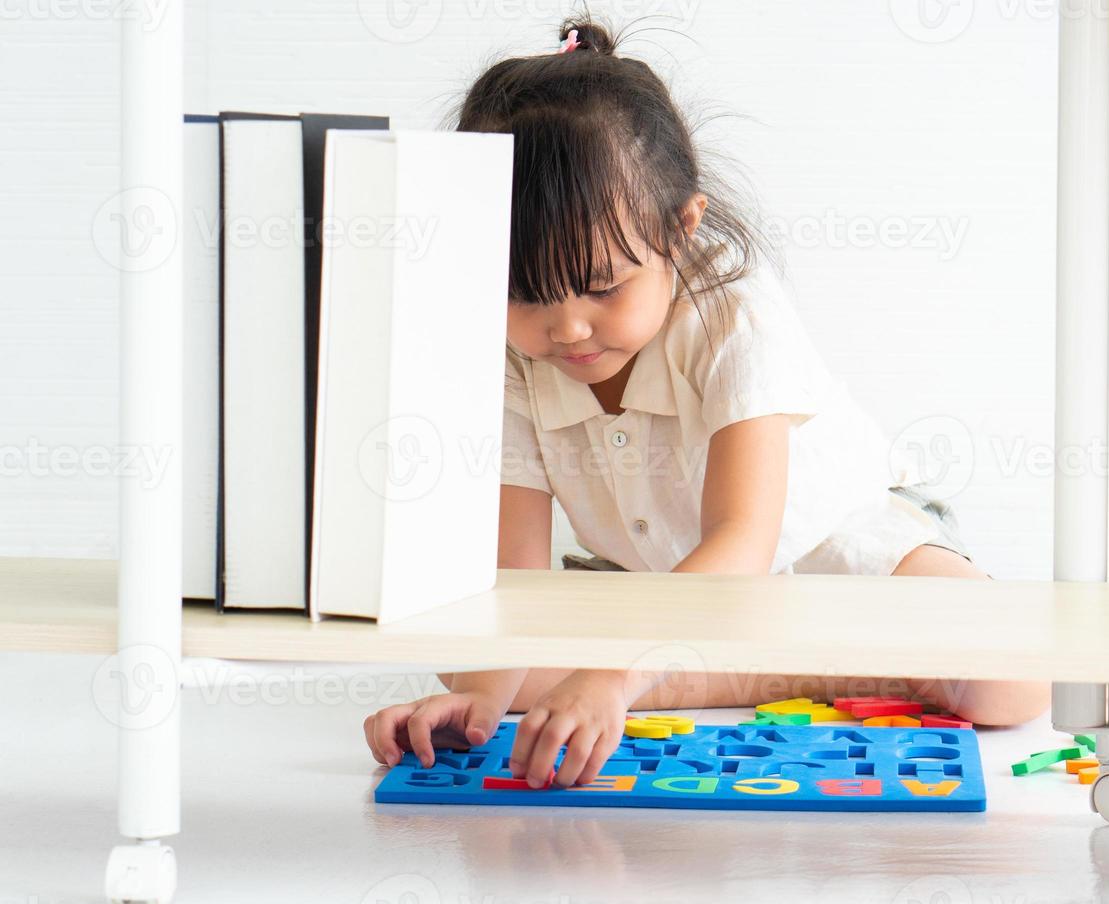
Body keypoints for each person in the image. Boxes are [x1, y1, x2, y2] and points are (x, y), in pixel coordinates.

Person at [363, 18, 1049, 788]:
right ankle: (757, 665)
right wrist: (482, 705)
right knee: (473, 667)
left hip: (826, 554)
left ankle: (744, 661)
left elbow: (743, 540)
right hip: (658, 590)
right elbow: (512, 569)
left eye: (601, 287)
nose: (568, 327)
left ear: (680, 230)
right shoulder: (509, 350)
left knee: (1011, 679)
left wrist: (615, 673)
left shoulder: (733, 306)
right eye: (525, 294)